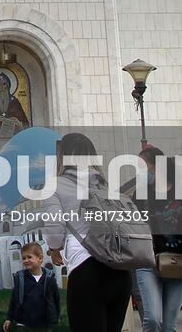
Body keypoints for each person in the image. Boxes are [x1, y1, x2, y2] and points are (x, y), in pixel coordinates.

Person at [42, 132, 134, 332]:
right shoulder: (106, 184)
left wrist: (54, 248)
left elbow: (54, 223)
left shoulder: (56, 185)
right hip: (121, 270)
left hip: (87, 269)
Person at [133, 151, 182, 332]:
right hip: (148, 262)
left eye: (143, 166)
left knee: (168, 325)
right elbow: (130, 224)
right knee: (153, 319)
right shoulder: (141, 193)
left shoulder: (181, 192)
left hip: (177, 261)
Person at [3, 241, 58, 332]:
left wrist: (55, 316)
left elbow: (55, 299)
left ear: (40, 258)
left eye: (29, 257)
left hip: (44, 324)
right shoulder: (20, 278)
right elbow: (14, 299)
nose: (26, 260)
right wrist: (9, 318)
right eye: (24, 258)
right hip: (23, 324)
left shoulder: (49, 278)